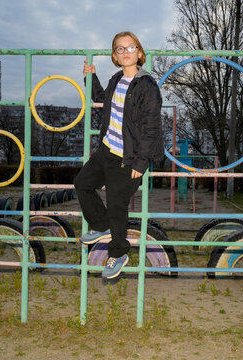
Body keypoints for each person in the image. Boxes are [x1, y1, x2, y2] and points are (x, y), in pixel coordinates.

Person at [74, 31, 163, 279]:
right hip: (106, 149)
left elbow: (152, 127)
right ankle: (101, 226)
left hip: (129, 157)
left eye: (130, 47)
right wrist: (90, 76)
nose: (125, 52)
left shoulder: (147, 85)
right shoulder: (115, 79)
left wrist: (141, 161)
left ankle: (119, 253)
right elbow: (101, 99)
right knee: (82, 184)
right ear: (115, 56)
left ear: (140, 52)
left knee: (116, 202)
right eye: (120, 49)